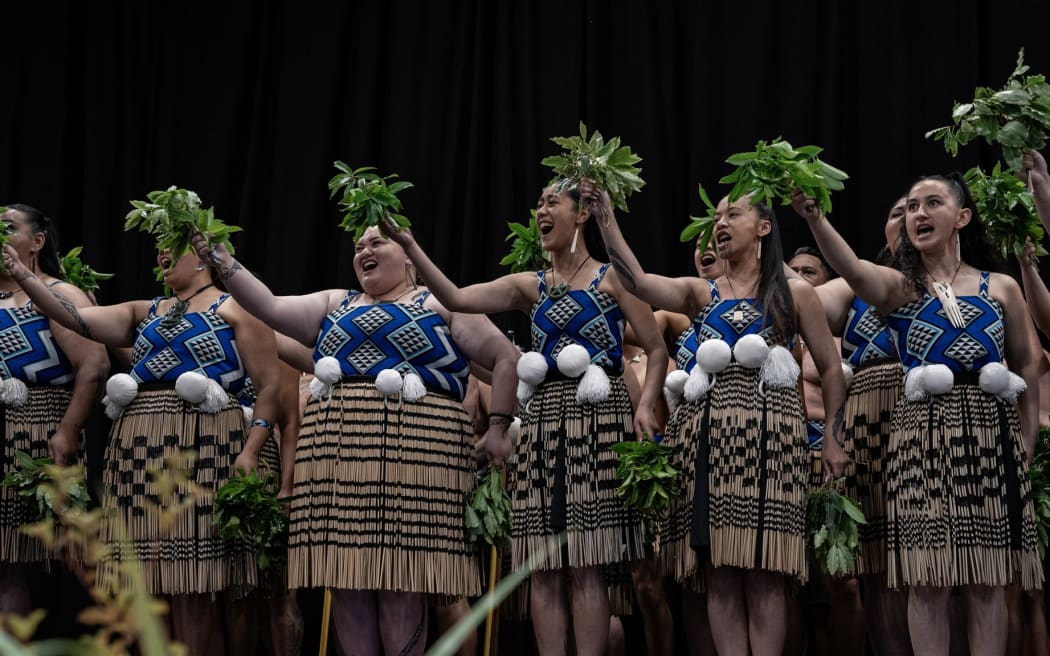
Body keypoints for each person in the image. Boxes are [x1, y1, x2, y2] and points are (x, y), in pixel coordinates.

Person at [190, 225, 520, 656]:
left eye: (376, 242)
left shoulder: (439, 303)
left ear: (408, 256)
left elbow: (505, 358)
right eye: (358, 246)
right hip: (335, 453)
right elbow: (267, 306)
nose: (364, 250)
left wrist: (497, 427)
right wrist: (221, 261)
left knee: (401, 581)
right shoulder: (334, 302)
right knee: (346, 581)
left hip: (419, 456)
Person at [381, 179, 667, 656]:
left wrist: (644, 404)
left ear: (581, 215)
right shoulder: (529, 286)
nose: (541, 210)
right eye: (537, 203)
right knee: (542, 562)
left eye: (552, 201)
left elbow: (656, 350)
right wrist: (410, 244)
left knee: (585, 560)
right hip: (543, 422)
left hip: (599, 416)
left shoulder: (614, 278)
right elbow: (454, 297)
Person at [588, 181, 848, 656]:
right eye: (718, 218)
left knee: (765, 569)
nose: (721, 224)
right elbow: (639, 283)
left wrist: (831, 438)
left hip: (773, 438)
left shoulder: (795, 293)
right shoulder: (700, 293)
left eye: (734, 215)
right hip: (705, 440)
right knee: (720, 571)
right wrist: (606, 218)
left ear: (764, 227)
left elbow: (831, 369)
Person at [794, 173, 1043, 655]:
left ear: (962, 218)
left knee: (986, 577)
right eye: (911, 207)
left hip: (989, 436)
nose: (919, 214)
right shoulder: (899, 288)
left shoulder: (1002, 287)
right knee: (925, 576)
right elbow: (850, 265)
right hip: (920, 438)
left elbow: (1027, 361)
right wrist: (815, 217)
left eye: (932, 204)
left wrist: (1027, 435)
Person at [3, 239, 282, 654]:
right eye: (157, 248)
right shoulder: (144, 310)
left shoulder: (235, 306)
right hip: (139, 453)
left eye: (172, 245)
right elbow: (75, 318)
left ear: (203, 256)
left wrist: (252, 449)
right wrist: (24, 273)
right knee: (150, 586)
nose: (160, 254)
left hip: (207, 447)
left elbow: (270, 385)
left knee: (195, 586)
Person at [0, 204, 109, 614]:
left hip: (35, 429)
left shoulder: (58, 293)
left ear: (37, 241)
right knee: (5, 565)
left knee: (76, 554)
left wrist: (67, 429)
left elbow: (94, 365)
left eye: (8, 228)